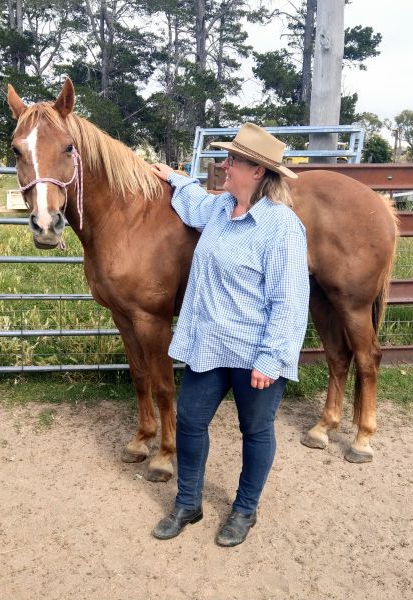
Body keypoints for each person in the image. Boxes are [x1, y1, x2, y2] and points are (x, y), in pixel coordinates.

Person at [149, 123, 310, 547]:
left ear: (256, 171)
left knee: (255, 429)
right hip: (210, 343)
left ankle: (244, 509)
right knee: (190, 419)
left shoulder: (281, 228)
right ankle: (188, 503)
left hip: (254, 350)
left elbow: (290, 300)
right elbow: (194, 203)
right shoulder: (221, 208)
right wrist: (174, 178)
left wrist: (271, 358)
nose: (224, 165)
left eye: (233, 160)